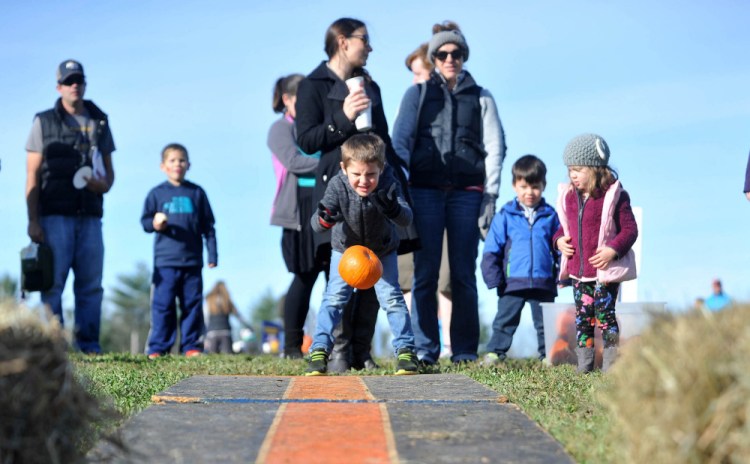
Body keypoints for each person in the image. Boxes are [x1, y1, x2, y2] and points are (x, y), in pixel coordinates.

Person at [295, 17, 418, 372]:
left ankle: (363, 353)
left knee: (379, 286)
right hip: (337, 187)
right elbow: (306, 140)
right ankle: (336, 352)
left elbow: (381, 139)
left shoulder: (370, 85)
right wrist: (344, 118)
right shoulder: (312, 85)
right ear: (342, 41)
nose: (370, 46)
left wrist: (395, 178)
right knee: (337, 286)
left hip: (379, 192)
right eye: (365, 39)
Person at [392, 21, 506, 364]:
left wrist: (490, 197)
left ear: (464, 55)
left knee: (462, 273)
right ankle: (425, 349)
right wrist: (401, 191)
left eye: (456, 53)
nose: (449, 58)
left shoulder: (482, 97)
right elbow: (400, 142)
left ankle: (465, 350)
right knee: (425, 273)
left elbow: (495, 148)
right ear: (434, 57)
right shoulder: (418, 94)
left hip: (466, 194)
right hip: (424, 192)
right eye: (442, 53)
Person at [305, 134, 418, 376]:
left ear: (382, 168)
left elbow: (407, 217)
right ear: (344, 168)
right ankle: (319, 351)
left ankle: (406, 352)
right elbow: (316, 223)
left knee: (392, 298)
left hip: (381, 251)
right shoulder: (338, 185)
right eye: (357, 175)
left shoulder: (389, 181)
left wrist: (394, 209)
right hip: (345, 251)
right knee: (333, 299)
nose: (364, 181)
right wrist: (324, 218)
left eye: (371, 175)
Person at [25, 59, 116, 354]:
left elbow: (110, 174)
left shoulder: (100, 120)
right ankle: (55, 348)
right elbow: (32, 174)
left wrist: (101, 185)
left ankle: (89, 345)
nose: (74, 85)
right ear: (59, 87)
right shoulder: (43, 121)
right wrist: (33, 220)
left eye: (78, 80)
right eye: (68, 81)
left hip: (90, 214)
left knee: (91, 285)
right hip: (54, 215)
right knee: (53, 284)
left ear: (85, 84)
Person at [553, 133, 638, 373]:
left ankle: (610, 366)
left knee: (605, 317)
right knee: (582, 318)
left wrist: (613, 249)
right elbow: (563, 226)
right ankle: (585, 366)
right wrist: (558, 240)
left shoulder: (614, 196)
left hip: (604, 273)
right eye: (570, 170)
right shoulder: (569, 197)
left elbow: (630, 230)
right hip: (580, 273)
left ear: (595, 168)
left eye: (578, 169)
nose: (573, 175)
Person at [480, 155, 559, 364]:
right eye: (524, 186)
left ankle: (549, 355)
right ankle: (496, 352)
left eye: (535, 186)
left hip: (543, 281)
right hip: (512, 281)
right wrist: (494, 279)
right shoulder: (505, 215)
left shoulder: (551, 216)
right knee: (505, 320)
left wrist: (562, 275)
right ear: (515, 185)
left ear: (544, 185)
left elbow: (560, 247)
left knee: (545, 323)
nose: (529, 192)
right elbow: (491, 250)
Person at [401, 42, 453, 358]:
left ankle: (447, 342)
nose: (414, 80)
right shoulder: (411, 101)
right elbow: (400, 143)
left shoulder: (448, 103)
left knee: (446, 277)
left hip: (446, 195)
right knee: (412, 276)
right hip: (414, 195)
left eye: (418, 73)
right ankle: (414, 341)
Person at [141, 143, 217, 358]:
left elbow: (208, 227)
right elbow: (145, 222)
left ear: (188, 165)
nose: (177, 164)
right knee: (163, 306)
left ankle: (191, 346)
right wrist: (155, 224)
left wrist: (212, 254)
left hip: (192, 261)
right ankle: (158, 347)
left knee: (192, 305)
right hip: (165, 262)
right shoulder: (156, 194)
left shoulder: (197, 193)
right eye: (172, 160)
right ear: (163, 166)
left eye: (181, 160)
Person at [268, 74, 322, 358]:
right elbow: (293, 161)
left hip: (326, 203)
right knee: (304, 276)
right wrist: (331, 163)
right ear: (287, 99)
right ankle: (292, 345)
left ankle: (334, 343)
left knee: (337, 277)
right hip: (297, 211)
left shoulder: (318, 126)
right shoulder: (280, 129)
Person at [204, 280, 251, 354]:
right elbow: (238, 316)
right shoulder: (227, 301)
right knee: (227, 356)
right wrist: (248, 326)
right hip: (225, 332)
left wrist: (205, 333)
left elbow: (206, 318)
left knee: (212, 356)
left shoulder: (209, 301)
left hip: (212, 333)